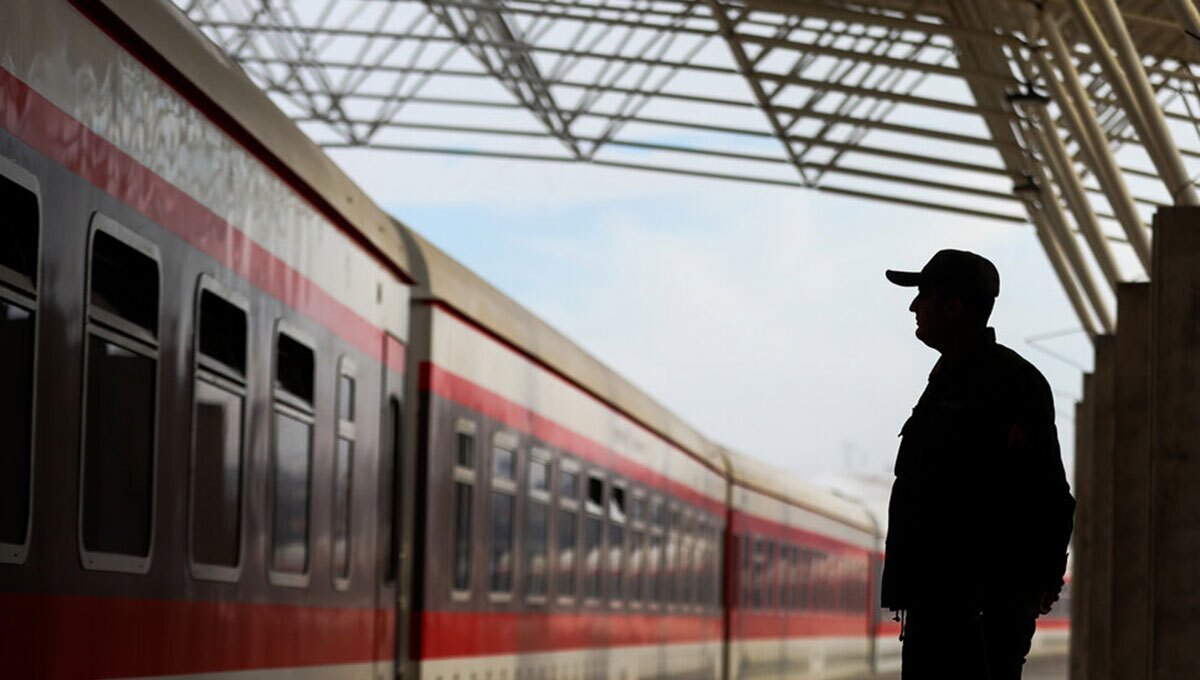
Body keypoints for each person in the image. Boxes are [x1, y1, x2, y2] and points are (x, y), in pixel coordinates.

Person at [881, 249, 1076, 680]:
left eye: (923, 296)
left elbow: (1050, 494)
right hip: (934, 607)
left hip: (982, 615)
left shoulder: (1012, 383)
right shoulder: (944, 383)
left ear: (953, 307)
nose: (913, 307)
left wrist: (1032, 589)